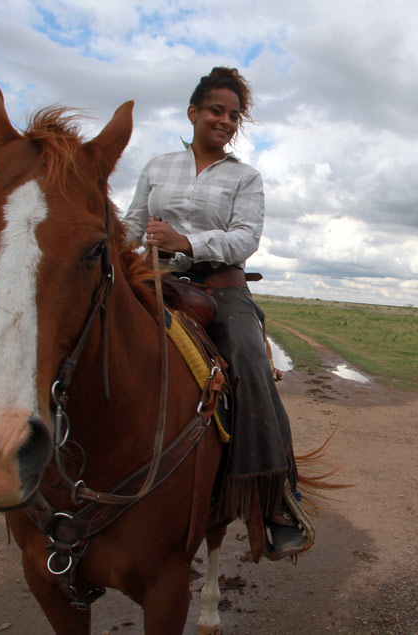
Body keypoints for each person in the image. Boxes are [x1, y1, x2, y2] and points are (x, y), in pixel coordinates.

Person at [123, 67, 307, 560]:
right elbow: (132, 225)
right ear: (194, 112)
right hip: (155, 279)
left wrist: (187, 242)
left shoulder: (245, 177)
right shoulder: (157, 167)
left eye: (233, 116)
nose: (225, 121)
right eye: (216, 111)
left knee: (249, 360)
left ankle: (278, 498)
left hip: (219, 286)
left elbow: (246, 237)